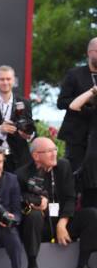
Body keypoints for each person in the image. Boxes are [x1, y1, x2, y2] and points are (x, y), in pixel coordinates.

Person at [16, 137, 97, 268]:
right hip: (40, 227)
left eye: (55, 149)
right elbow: (19, 200)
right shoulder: (23, 174)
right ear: (36, 156)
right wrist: (34, 203)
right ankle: (32, 266)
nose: (54, 154)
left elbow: (71, 197)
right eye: (49, 151)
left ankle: (82, 267)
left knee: (92, 215)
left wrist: (62, 223)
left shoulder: (63, 166)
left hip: (63, 223)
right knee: (33, 216)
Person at [57, 37, 97, 173]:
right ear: (90, 52)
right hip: (76, 135)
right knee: (73, 173)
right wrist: (85, 102)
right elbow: (61, 102)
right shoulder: (74, 74)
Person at [68, 85, 97, 208]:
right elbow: (74, 106)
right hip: (93, 170)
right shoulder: (94, 113)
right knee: (91, 209)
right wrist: (93, 90)